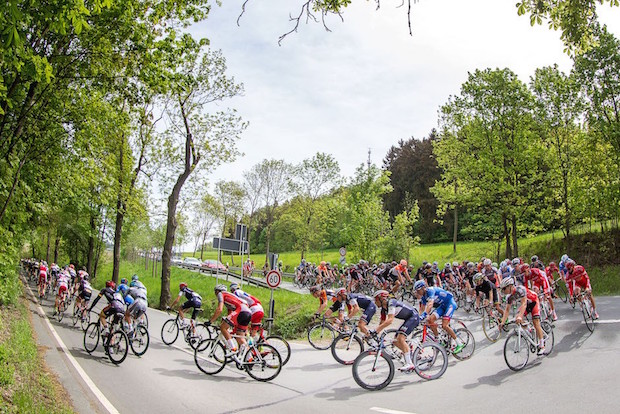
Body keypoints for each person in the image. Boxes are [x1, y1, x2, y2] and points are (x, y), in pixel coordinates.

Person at [371, 289, 420, 371]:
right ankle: (409, 353)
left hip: (413, 317)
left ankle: (409, 364)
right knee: (395, 341)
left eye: (376, 300)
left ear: (381, 298)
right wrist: (375, 333)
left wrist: (376, 330)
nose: (375, 303)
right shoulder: (384, 309)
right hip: (408, 319)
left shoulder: (391, 302)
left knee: (400, 338)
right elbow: (382, 323)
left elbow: (390, 320)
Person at [498, 277, 546, 355]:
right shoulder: (509, 297)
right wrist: (502, 322)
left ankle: (542, 345)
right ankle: (530, 330)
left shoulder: (520, 289)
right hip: (527, 304)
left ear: (510, 286)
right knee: (517, 318)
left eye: (504, 289)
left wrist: (521, 316)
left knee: (536, 322)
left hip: (533, 302)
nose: (503, 291)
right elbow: (507, 310)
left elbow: (524, 304)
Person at [414, 280, 464, 354]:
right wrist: (418, 317)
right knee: (430, 320)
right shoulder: (423, 296)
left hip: (450, 303)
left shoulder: (430, 291)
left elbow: (430, 304)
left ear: (423, 288)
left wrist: (424, 315)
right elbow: (422, 308)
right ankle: (438, 338)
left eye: (418, 291)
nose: (417, 293)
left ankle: (459, 343)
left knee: (445, 325)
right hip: (443, 305)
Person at [207, 284, 251, 356]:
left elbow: (219, 309)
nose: (215, 294)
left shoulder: (221, 294)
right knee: (240, 337)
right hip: (248, 312)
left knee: (223, 327)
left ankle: (233, 349)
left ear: (218, 291)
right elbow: (229, 314)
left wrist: (210, 321)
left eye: (215, 292)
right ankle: (249, 357)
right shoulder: (229, 296)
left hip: (241, 310)